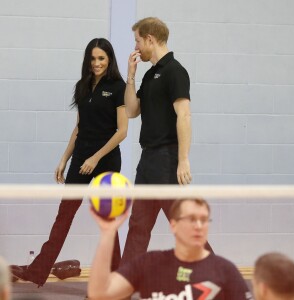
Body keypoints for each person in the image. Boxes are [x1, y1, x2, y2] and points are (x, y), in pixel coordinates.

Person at [11, 38, 128, 287]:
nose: (96, 63)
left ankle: (116, 276)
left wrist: (95, 158)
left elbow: (122, 131)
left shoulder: (118, 87)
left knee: (108, 221)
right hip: (80, 161)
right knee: (64, 215)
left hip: (105, 161)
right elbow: (78, 128)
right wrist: (64, 159)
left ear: (109, 60)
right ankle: (37, 272)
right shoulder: (82, 86)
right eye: (93, 58)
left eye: (101, 58)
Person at [122, 17, 212, 264]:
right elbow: (131, 111)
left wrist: (183, 160)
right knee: (138, 225)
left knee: (183, 223)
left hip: (167, 159)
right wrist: (131, 76)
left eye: (138, 41)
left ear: (150, 39)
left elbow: (184, 115)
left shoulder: (175, 71)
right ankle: (123, 284)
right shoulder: (151, 75)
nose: (137, 47)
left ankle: (217, 278)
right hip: (148, 159)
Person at [88, 198, 253, 300]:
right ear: (173, 225)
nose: (198, 226)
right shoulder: (149, 264)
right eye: (191, 219)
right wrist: (107, 235)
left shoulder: (225, 271)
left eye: (204, 220)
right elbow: (99, 293)